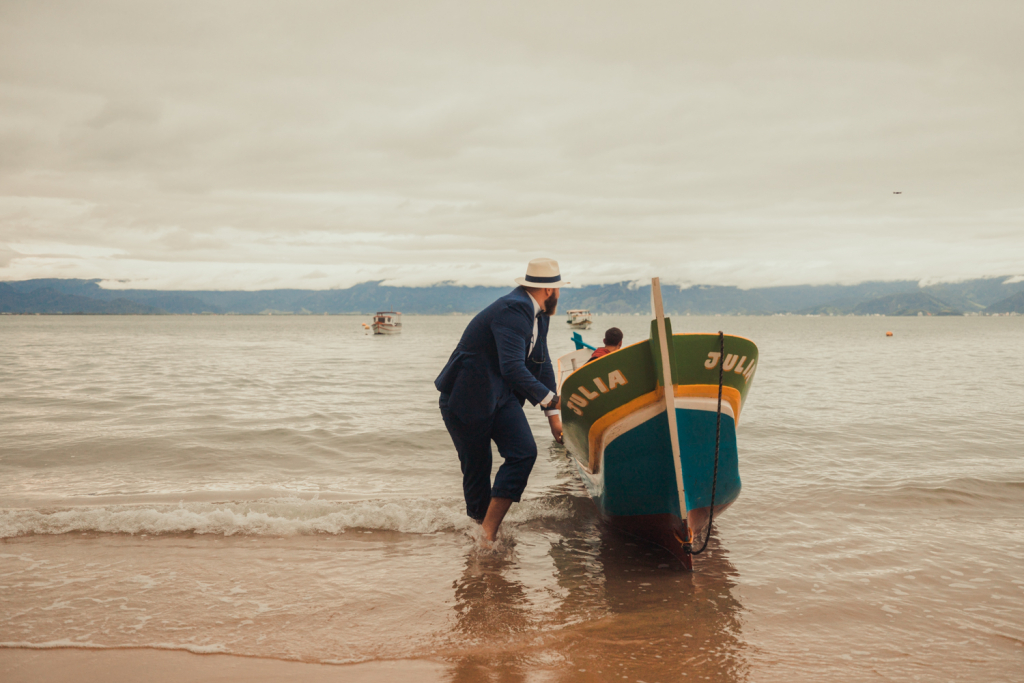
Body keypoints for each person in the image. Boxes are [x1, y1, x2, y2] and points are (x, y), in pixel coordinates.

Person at [435, 258, 566, 544]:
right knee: (477, 469)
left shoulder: (538, 314)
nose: (559, 295)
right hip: (465, 398)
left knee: (523, 453)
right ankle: (479, 531)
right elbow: (512, 367)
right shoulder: (513, 309)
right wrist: (550, 397)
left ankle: (488, 530)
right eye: (559, 290)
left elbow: (540, 363)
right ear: (549, 291)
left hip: (501, 396)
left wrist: (554, 416)